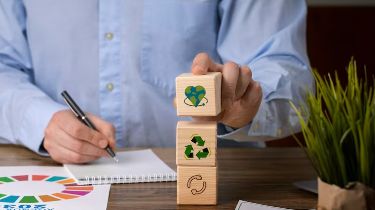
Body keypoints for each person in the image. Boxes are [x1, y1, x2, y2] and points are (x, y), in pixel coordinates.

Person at [0, 1, 313, 163]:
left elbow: (286, 70)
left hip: (222, 179)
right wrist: (43, 120)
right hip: (61, 179)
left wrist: (250, 104)